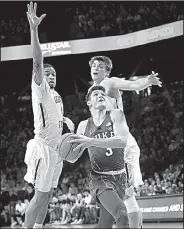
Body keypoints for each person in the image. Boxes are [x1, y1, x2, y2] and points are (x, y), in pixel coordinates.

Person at [87, 56, 162, 228]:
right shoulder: (93, 91)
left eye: (100, 66)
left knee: (127, 195)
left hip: (122, 144)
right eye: (94, 65)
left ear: (107, 71)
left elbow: (132, 85)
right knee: (122, 195)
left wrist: (147, 81)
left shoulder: (110, 82)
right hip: (109, 146)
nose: (96, 67)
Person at [23, 2, 75, 228]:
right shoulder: (40, 88)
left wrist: (66, 121)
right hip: (42, 147)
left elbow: (56, 119)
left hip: (57, 151)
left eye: (53, 74)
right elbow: (37, 62)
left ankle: (38, 227)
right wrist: (34, 30)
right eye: (47, 73)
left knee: (49, 194)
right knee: (39, 194)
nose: (50, 76)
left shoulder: (57, 96)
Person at [70, 85, 131, 228]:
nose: (100, 95)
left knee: (104, 225)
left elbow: (122, 141)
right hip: (100, 178)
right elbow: (73, 158)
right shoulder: (84, 126)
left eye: (103, 93)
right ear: (89, 103)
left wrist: (91, 141)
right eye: (96, 94)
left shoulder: (116, 115)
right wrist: (63, 145)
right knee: (122, 215)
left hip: (121, 178)